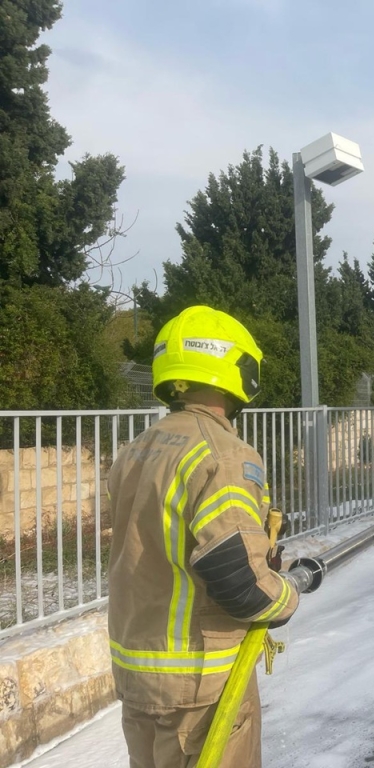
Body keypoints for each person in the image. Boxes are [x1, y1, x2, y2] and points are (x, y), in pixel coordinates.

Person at [107, 306, 300, 768]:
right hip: (199, 687)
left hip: (139, 678)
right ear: (236, 370)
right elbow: (240, 582)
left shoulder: (136, 450)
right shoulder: (223, 455)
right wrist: (288, 595)